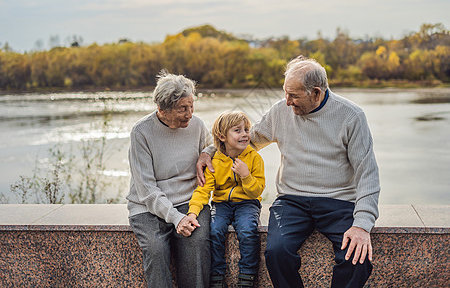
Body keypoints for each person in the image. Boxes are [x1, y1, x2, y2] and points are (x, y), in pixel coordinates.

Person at [197, 56, 381, 288]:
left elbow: (368, 174)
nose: (286, 101)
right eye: (285, 92)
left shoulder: (351, 116)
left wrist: (362, 225)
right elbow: (246, 141)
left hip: (338, 201)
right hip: (291, 201)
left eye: (293, 95)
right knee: (276, 253)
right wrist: (209, 150)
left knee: (356, 259)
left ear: (316, 93)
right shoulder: (280, 112)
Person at [127, 70, 213, 288]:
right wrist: (176, 218)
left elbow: (215, 146)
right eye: (182, 109)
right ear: (162, 110)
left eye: (192, 106)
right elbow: (146, 189)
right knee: (156, 249)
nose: (190, 113)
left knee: (198, 243)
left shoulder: (197, 125)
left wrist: (207, 152)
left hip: (189, 201)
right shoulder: (142, 132)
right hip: (147, 207)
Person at [188, 111, 265, 288]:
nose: (245, 134)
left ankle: (247, 275)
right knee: (215, 230)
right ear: (222, 136)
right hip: (221, 204)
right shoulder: (214, 161)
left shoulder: (254, 158)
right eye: (237, 130)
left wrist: (245, 175)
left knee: (247, 230)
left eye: (246, 129)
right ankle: (216, 275)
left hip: (247, 203)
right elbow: (203, 191)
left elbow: (256, 191)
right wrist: (193, 212)